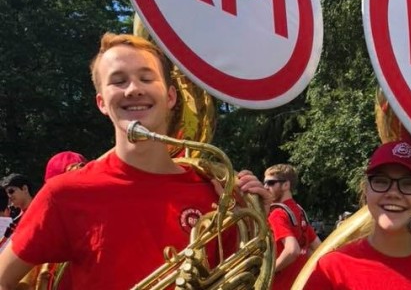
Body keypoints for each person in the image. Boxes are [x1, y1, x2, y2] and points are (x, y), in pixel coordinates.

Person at [0, 33, 271, 290]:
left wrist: (258, 220)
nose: (133, 89)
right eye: (118, 81)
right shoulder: (64, 193)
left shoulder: (215, 192)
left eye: (146, 77)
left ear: (171, 96)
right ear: (101, 103)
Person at [304, 139, 411, 289]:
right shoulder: (331, 269)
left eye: (409, 184)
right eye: (381, 181)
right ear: (366, 190)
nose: (393, 193)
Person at [264, 164, 321, 290]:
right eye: (265, 183)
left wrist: (266, 273)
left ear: (286, 185)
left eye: (271, 183)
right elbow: (317, 247)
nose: (265, 187)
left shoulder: (277, 214)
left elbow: (292, 250)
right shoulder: (299, 211)